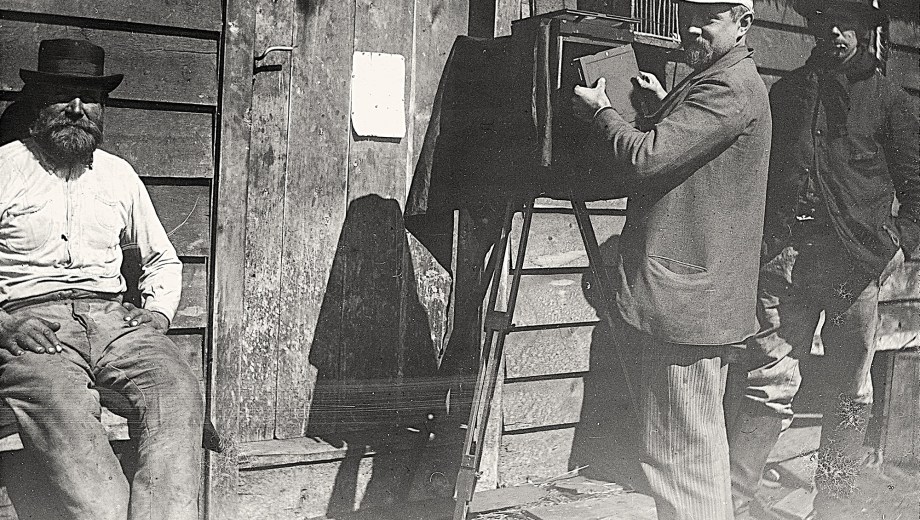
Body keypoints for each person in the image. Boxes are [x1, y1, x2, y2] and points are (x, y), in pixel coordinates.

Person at [570, 0, 770, 518]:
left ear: (741, 23)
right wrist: (663, 108)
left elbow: (646, 159)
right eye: (687, 14)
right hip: (691, 302)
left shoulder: (727, 87)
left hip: (689, 307)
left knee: (684, 465)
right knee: (687, 458)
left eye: (708, 17)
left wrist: (602, 111)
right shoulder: (720, 77)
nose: (691, 27)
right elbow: (695, 151)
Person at [726, 1, 920, 518]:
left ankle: (833, 504)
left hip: (853, 266)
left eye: (848, 22)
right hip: (787, 259)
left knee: (848, 389)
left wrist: (896, 244)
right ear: (812, 27)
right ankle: (734, 501)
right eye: (825, 21)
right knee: (769, 380)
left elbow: (917, 187)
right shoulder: (788, 93)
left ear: (865, 29)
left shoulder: (891, 102)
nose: (835, 32)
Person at [0, 39, 203, 520]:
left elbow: (162, 259)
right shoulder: (4, 167)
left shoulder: (118, 175)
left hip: (116, 322)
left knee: (178, 393)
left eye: (89, 99)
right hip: (35, 329)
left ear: (102, 107)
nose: (76, 109)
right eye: (62, 96)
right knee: (63, 409)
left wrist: (155, 314)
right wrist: (3, 327)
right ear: (39, 103)